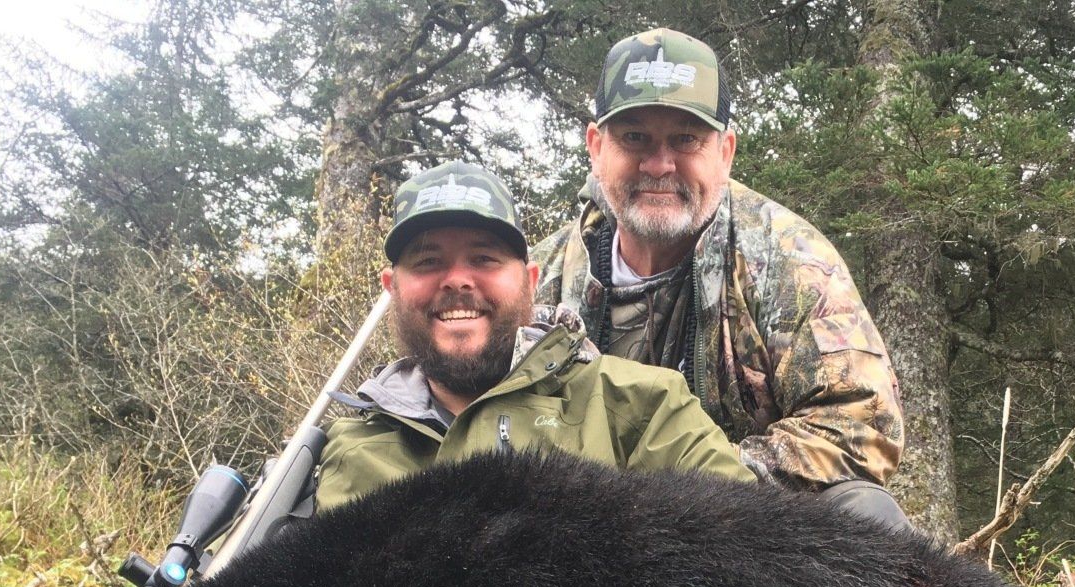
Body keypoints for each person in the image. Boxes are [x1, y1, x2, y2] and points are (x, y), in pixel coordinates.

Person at [534, 28, 908, 530]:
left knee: (866, 514)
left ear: (725, 152)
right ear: (596, 147)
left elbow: (863, 425)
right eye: (634, 137)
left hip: (742, 536)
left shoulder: (788, 257)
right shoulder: (541, 275)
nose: (659, 164)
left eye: (685, 139)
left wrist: (697, 489)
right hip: (581, 536)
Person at [316, 159, 752, 509]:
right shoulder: (354, 449)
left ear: (531, 281)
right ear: (392, 289)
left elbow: (750, 546)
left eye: (484, 258)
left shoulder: (643, 404)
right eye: (428, 261)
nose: (456, 280)